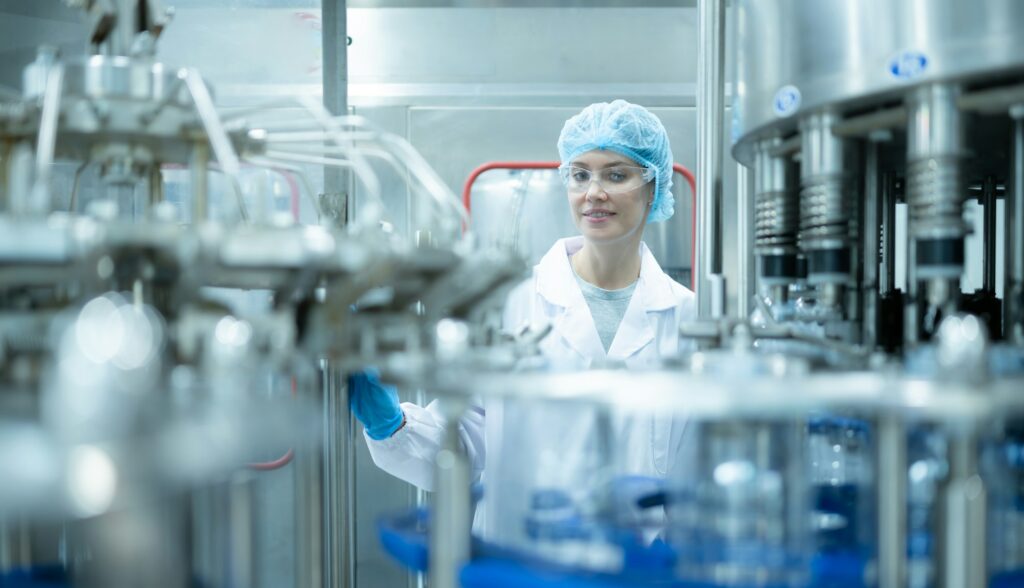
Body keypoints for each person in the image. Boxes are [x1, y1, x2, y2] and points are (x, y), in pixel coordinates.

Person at [349, 100, 696, 539]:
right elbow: (465, 444)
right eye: (580, 174)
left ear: (653, 186)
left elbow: (695, 470)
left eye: (616, 174)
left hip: (638, 567)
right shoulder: (509, 301)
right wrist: (391, 425)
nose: (594, 192)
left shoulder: (686, 315)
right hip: (520, 559)